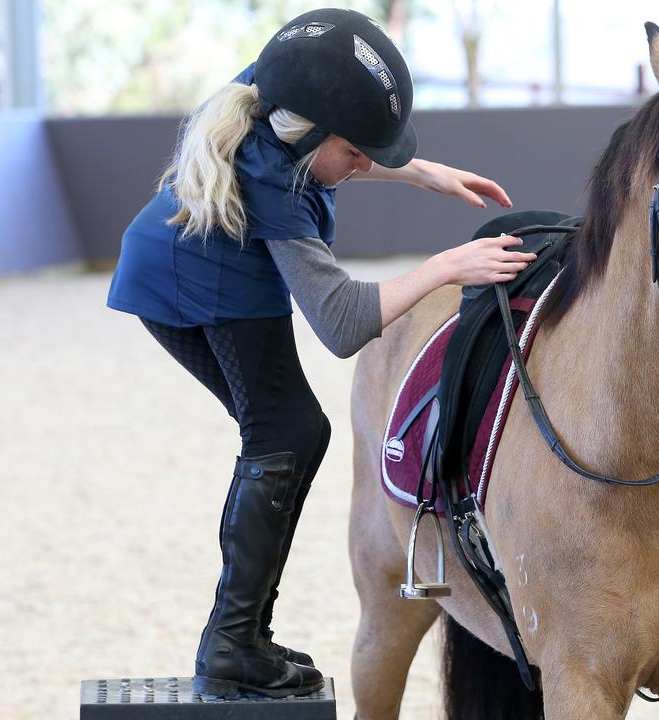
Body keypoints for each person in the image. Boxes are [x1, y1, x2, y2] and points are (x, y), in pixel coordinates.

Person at [105, 8, 536, 699]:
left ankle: (239, 638)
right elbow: (341, 322)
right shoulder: (275, 180)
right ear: (307, 138)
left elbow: (336, 147)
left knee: (289, 433)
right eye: (357, 154)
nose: (363, 166)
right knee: (285, 433)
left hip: (196, 258)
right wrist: (448, 265)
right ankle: (233, 644)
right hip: (195, 280)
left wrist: (423, 173)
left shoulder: (278, 99)